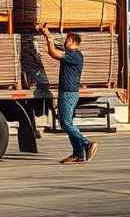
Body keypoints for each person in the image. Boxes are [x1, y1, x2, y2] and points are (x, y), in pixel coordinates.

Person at [37, 23, 98, 164]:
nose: (65, 41)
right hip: (67, 93)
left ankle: (87, 143)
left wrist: (49, 39)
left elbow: (53, 53)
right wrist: (46, 34)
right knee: (67, 123)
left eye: (68, 40)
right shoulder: (71, 54)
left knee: (65, 124)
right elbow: (56, 47)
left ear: (75, 43)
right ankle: (78, 154)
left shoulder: (75, 55)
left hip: (69, 94)